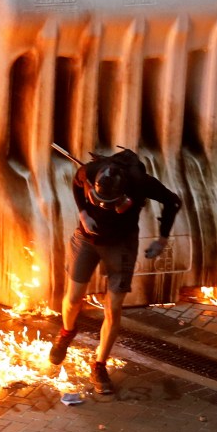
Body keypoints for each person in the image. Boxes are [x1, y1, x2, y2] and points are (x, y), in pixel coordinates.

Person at [49, 148, 181, 394]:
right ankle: (67, 332)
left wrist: (162, 239)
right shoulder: (89, 171)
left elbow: (173, 201)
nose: (104, 207)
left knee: (114, 307)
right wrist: (84, 212)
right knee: (73, 299)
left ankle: (99, 365)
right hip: (87, 240)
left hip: (121, 245)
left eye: (110, 204)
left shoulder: (141, 183)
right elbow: (77, 185)